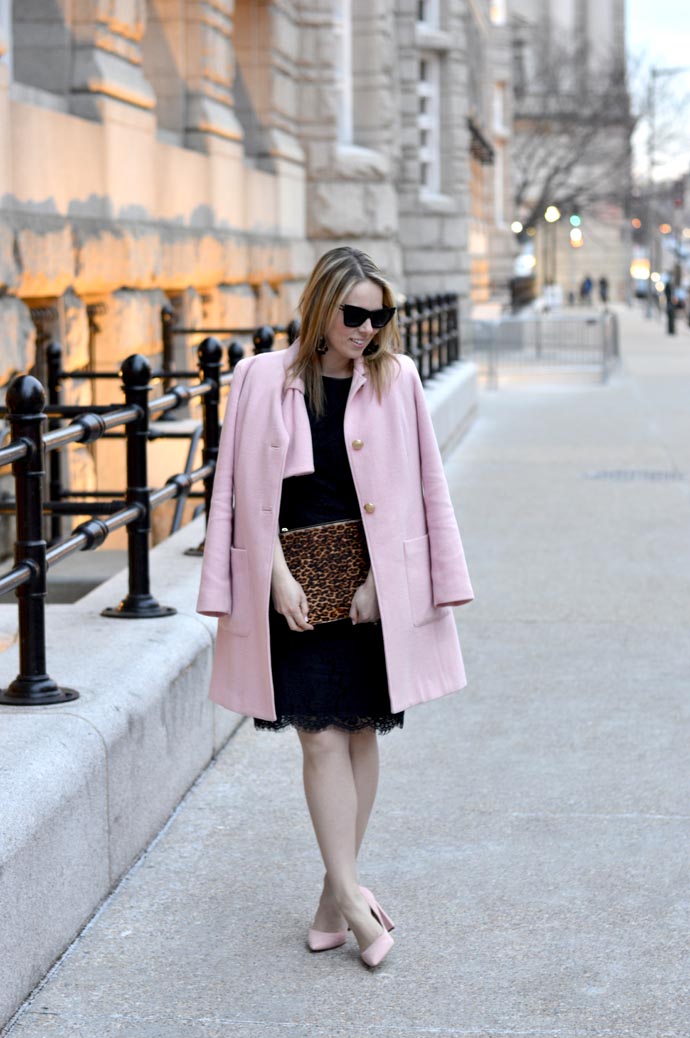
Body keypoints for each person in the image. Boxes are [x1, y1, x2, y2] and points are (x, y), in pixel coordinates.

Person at [196, 247, 473, 969]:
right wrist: (271, 578)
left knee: (358, 733)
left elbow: (423, 483)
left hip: (368, 587)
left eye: (381, 316)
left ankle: (331, 890)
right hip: (291, 584)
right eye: (355, 315)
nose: (369, 329)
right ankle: (355, 901)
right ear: (320, 308)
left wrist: (390, 580)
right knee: (318, 733)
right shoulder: (259, 378)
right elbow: (233, 489)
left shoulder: (397, 378)